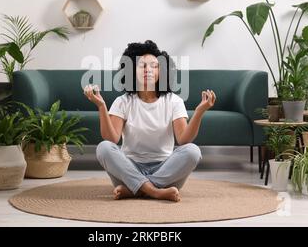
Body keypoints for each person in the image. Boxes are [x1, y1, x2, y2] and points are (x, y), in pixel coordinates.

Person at [83, 40, 216, 202]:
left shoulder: (174, 101)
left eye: (154, 66)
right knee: (103, 148)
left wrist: (199, 111)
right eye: (142, 66)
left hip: (166, 170)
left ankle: (136, 190)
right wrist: (102, 106)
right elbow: (111, 139)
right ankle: (155, 191)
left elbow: (184, 140)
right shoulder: (123, 101)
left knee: (193, 151)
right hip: (130, 169)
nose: (148, 70)